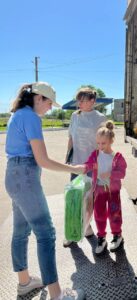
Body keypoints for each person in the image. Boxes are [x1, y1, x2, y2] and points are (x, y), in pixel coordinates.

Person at [5, 82, 85, 300]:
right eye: (49, 103)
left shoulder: (17, 114)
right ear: (38, 98)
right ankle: (57, 294)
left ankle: (24, 282)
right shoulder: (31, 117)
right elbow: (43, 160)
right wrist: (74, 168)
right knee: (46, 234)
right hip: (25, 179)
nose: (50, 108)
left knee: (21, 231)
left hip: (12, 177)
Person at [71, 121, 127, 255]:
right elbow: (88, 164)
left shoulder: (118, 157)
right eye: (98, 143)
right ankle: (101, 238)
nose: (100, 146)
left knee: (114, 214)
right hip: (99, 190)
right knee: (99, 214)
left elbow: (122, 173)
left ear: (111, 141)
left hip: (113, 192)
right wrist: (83, 168)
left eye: (104, 143)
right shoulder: (95, 155)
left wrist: (111, 174)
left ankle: (117, 236)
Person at [64, 87, 106, 247]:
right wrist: (67, 156)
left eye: (82, 100)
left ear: (92, 101)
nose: (78, 103)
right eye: (78, 100)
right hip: (76, 165)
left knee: (89, 199)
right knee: (74, 198)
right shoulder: (75, 116)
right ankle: (74, 232)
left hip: (93, 166)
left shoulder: (100, 118)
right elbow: (71, 137)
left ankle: (86, 227)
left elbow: (105, 143)